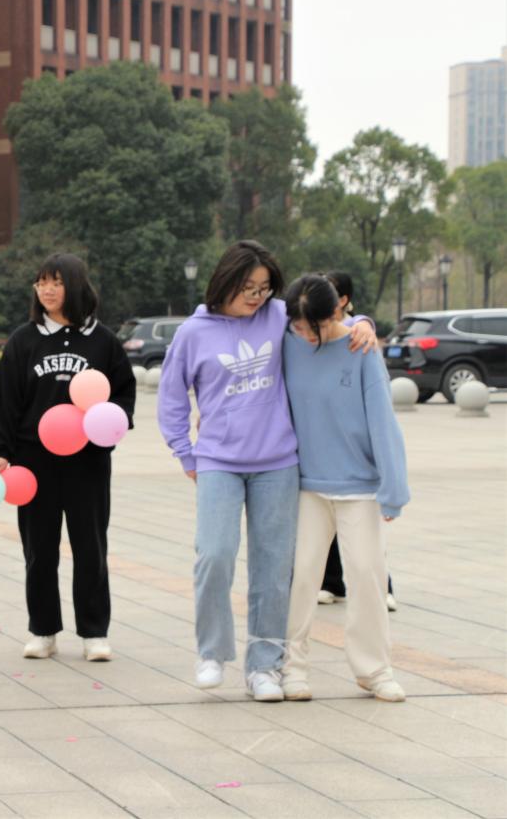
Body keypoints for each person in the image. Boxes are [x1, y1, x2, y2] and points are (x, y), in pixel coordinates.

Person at [156, 241, 377, 702]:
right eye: (248, 288)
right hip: (218, 461)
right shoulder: (194, 332)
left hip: (278, 462)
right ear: (225, 282)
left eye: (264, 288)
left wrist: (364, 324)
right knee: (214, 554)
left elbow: (328, 319)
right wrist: (185, 453)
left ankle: (265, 665)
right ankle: (212, 652)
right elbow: (172, 397)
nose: (257, 297)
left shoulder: (278, 316)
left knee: (273, 568)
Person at [0, 253, 136, 662]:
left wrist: (111, 429)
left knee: (91, 548)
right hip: (33, 462)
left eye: (56, 282)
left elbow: (123, 393)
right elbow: (5, 399)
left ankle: (94, 632)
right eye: (41, 282)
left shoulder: (102, 340)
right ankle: (43, 629)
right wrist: (0, 451)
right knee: (39, 550)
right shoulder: (24, 339)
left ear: (76, 285)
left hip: (88, 461)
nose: (47, 290)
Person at [280, 275, 408, 702]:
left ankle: (374, 670)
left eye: (313, 326)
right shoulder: (286, 342)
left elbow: (383, 421)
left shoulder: (361, 348)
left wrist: (394, 489)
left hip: (360, 486)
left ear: (335, 313)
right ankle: (292, 667)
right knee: (301, 578)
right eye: (298, 325)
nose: (305, 333)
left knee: (367, 576)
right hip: (305, 486)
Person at [317, 271, 397, 611]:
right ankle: (331, 583)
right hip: (319, 450)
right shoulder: (307, 334)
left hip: (354, 451)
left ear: (344, 300)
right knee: (323, 528)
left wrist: (364, 323)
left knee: (364, 533)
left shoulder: (357, 335)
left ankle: (384, 586)